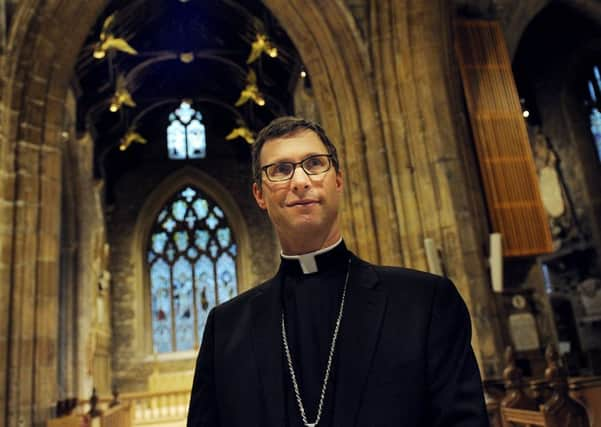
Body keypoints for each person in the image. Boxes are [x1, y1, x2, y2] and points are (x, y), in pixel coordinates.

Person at [187, 116, 489, 427]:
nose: (300, 181)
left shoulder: (425, 304)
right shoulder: (225, 329)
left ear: (338, 181)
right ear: (259, 195)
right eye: (280, 170)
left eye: (315, 164)